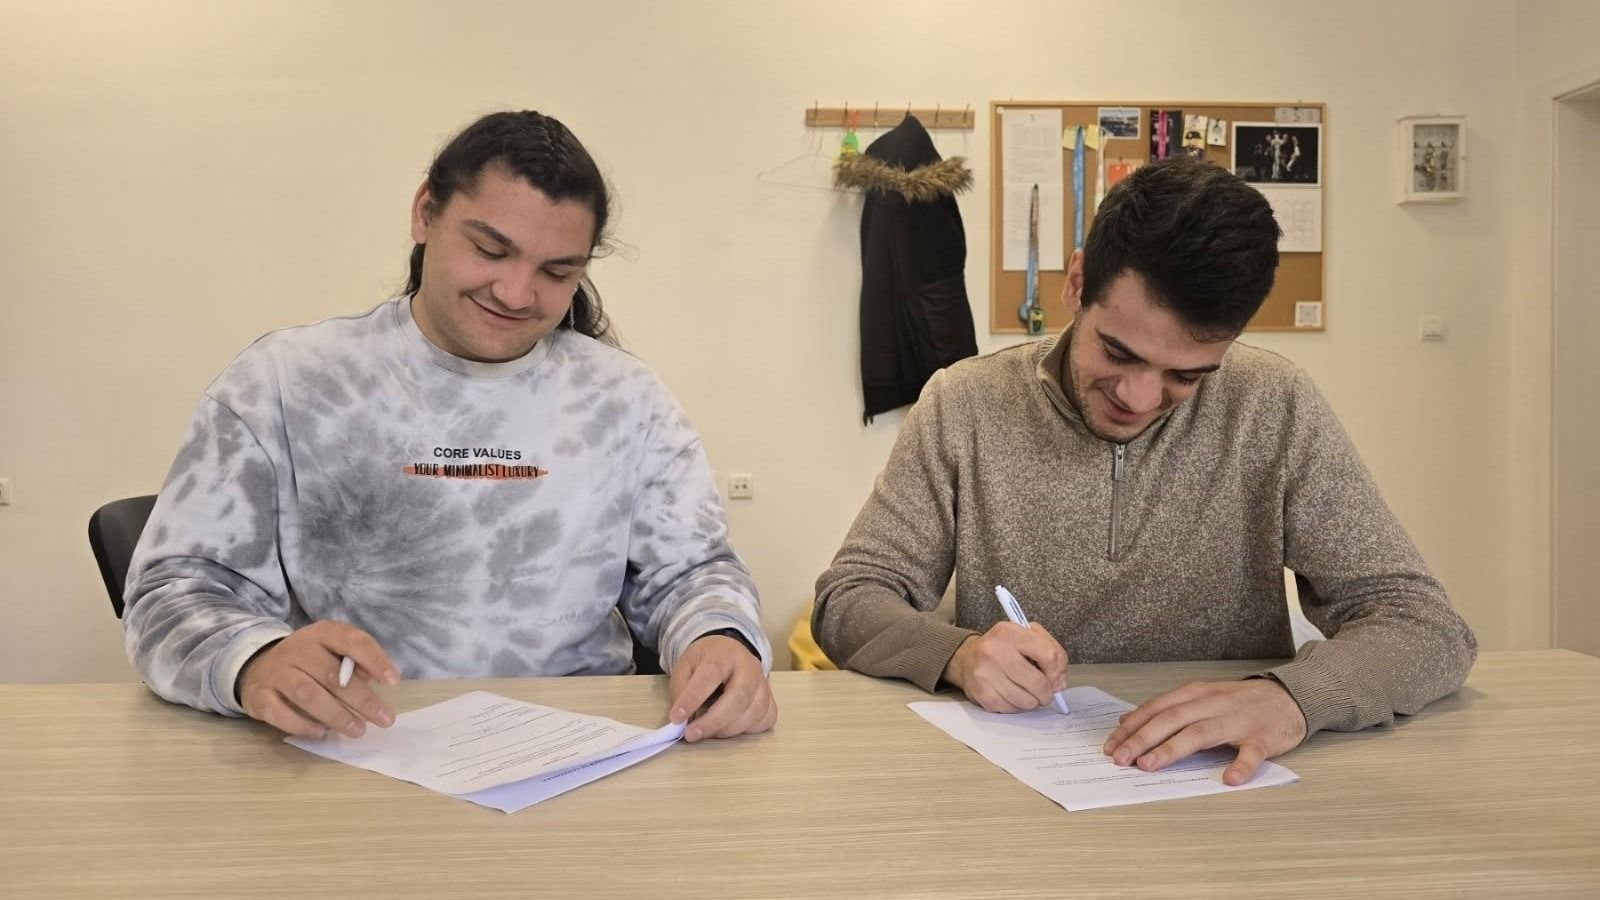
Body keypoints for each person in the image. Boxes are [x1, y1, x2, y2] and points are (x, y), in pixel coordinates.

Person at [813, 156, 1475, 785]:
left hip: (1221, 781)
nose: (1138, 397)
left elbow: (1426, 626)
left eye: (1187, 375)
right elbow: (850, 598)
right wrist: (956, 653)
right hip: (1016, 785)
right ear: (1077, 283)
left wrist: (1293, 698)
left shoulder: (1274, 404)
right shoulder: (966, 403)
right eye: (1118, 352)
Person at [123, 110, 776, 744]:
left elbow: (693, 572)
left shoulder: (627, 399)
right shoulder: (287, 381)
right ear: (425, 213)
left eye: (557, 272)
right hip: (348, 741)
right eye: (490, 249)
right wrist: (253, 660)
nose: (517, 293)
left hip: (573, 747)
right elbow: (170, 594)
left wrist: (718, 638)